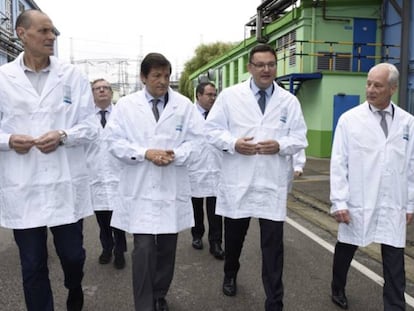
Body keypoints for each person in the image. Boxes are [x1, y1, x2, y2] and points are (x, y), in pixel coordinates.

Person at [0, 9, 99, 311]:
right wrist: (7, 140)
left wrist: (63, 134)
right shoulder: (3, 78)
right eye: (43, 31)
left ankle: (74, 285)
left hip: (64, 183)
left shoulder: (71, 76)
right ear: (21, 33)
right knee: (32, 265)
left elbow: (92, 126)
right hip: (24, 185)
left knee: (73, 256)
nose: (51, 36)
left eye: (53, 31)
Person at [204, 44, 308, 310]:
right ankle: (230, 272)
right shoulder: (229, 97)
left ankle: (275, 300)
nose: (266, 69)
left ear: (276, 67)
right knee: (235, 240)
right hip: (239, 180)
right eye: (260, 64)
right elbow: (211, 131)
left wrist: (281, 146)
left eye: (271, 64)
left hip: (271, 182)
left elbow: (299, 137)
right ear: (250, 68)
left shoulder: (289, 101)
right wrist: (234, 143)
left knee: (273, 248)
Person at [105, 52, 204, 311]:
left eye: (167, 76)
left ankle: (159, 293)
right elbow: (113, 142)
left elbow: (198, 142)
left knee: (167, 250)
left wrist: (177, 154)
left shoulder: (184, 106)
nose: (162, 81)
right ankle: (144, 304)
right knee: (144, 249)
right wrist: (144, 153)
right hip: (140, 188)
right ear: (143, 78)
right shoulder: (126, 106)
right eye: (156, 76)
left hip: (171, 188)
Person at [330, 62, 414, 310]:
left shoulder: (408, 123)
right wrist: (339, 201)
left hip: (392, 201)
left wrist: (410, 203)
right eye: (368, 83)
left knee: (394, 257)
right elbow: (338, 163)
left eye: (377, 85)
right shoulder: (350, 120)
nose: (371, 89)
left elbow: (410, 166)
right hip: (359, 199)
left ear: (393, 89)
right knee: (346, 248)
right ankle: (337, 287)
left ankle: (395, 305)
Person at [87, 78, 127, 269]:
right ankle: (106, 247)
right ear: (92, 93)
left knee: (118, 216)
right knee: (102, 218)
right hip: (95, 174)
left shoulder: (122, 114)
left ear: (111, 93)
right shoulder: (85, 117)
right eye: (97, 89)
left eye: (105, 88)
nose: (101, 91)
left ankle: (120, 250)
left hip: (118, 172)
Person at [188, 82, 224, 260]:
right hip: (195, 167)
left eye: (214, 94)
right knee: (196, 206)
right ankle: (197, 235)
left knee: (216, 208)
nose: (213, 98)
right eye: (209, 94)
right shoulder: (188, 114)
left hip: (216, 167)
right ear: (198, 96)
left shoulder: (220, 114)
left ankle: (216, 242)